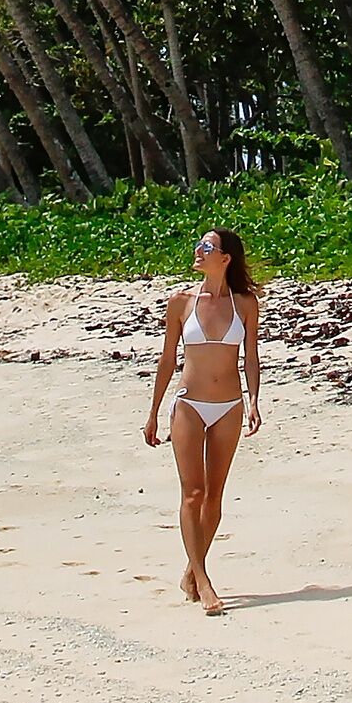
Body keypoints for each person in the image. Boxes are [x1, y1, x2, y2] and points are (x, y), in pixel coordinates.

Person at [141, 227, 262, 613]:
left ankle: (190, 573)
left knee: (214, 498)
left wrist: (254, 400)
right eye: (198, 244)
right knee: (192, 494)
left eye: (207, 247)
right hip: (189, 406)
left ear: (225, 258)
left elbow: (252, 357)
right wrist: (153, 413)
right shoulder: (180, 302)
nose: (198, 250)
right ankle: (204, 579)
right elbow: (167, 360)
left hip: (229, 406)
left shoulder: (245, 303)